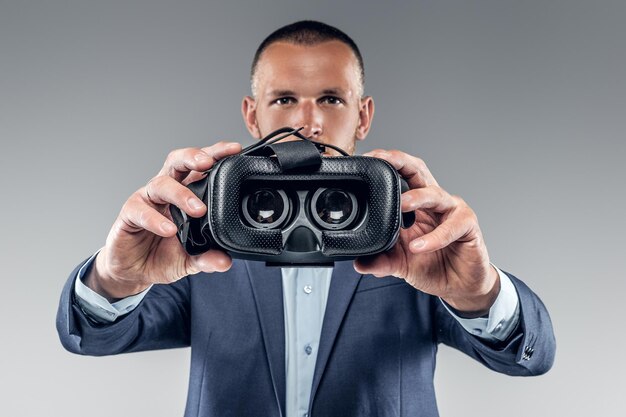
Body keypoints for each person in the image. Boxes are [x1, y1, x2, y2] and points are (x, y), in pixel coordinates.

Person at [57, 20, 555, 417]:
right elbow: (94, 337)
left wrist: (479, 291)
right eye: (285, 99)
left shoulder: (410, 231)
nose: (307, 122)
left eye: (331, 99)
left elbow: (526, 357)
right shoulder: (204, 231)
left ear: (363, 116)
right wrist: (114, 278)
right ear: (253, 116)